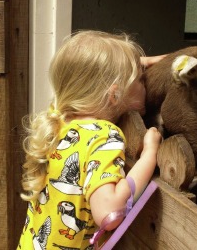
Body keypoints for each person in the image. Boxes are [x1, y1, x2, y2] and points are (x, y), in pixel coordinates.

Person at [18, 30, 163, 249]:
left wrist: (143, 63)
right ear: (114, 95)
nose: (146, 85)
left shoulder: (58, 124)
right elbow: (108, 212)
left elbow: (88, 70)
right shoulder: (103, 135)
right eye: (141, 80)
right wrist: (150, 155)